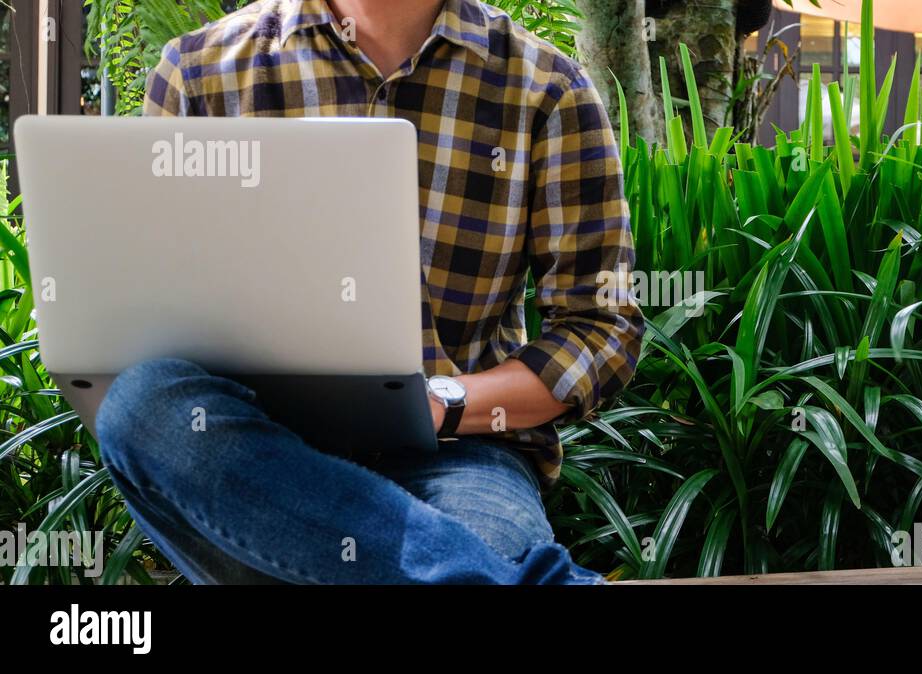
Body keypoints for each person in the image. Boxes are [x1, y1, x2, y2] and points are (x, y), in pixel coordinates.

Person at [96, 0, 643, 584]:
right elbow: (148, 314)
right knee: (140, 406)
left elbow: (599, 327)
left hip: (460, 454)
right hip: (256, 463)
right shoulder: (198, 71)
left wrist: (441, 402)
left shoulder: (546, 87)